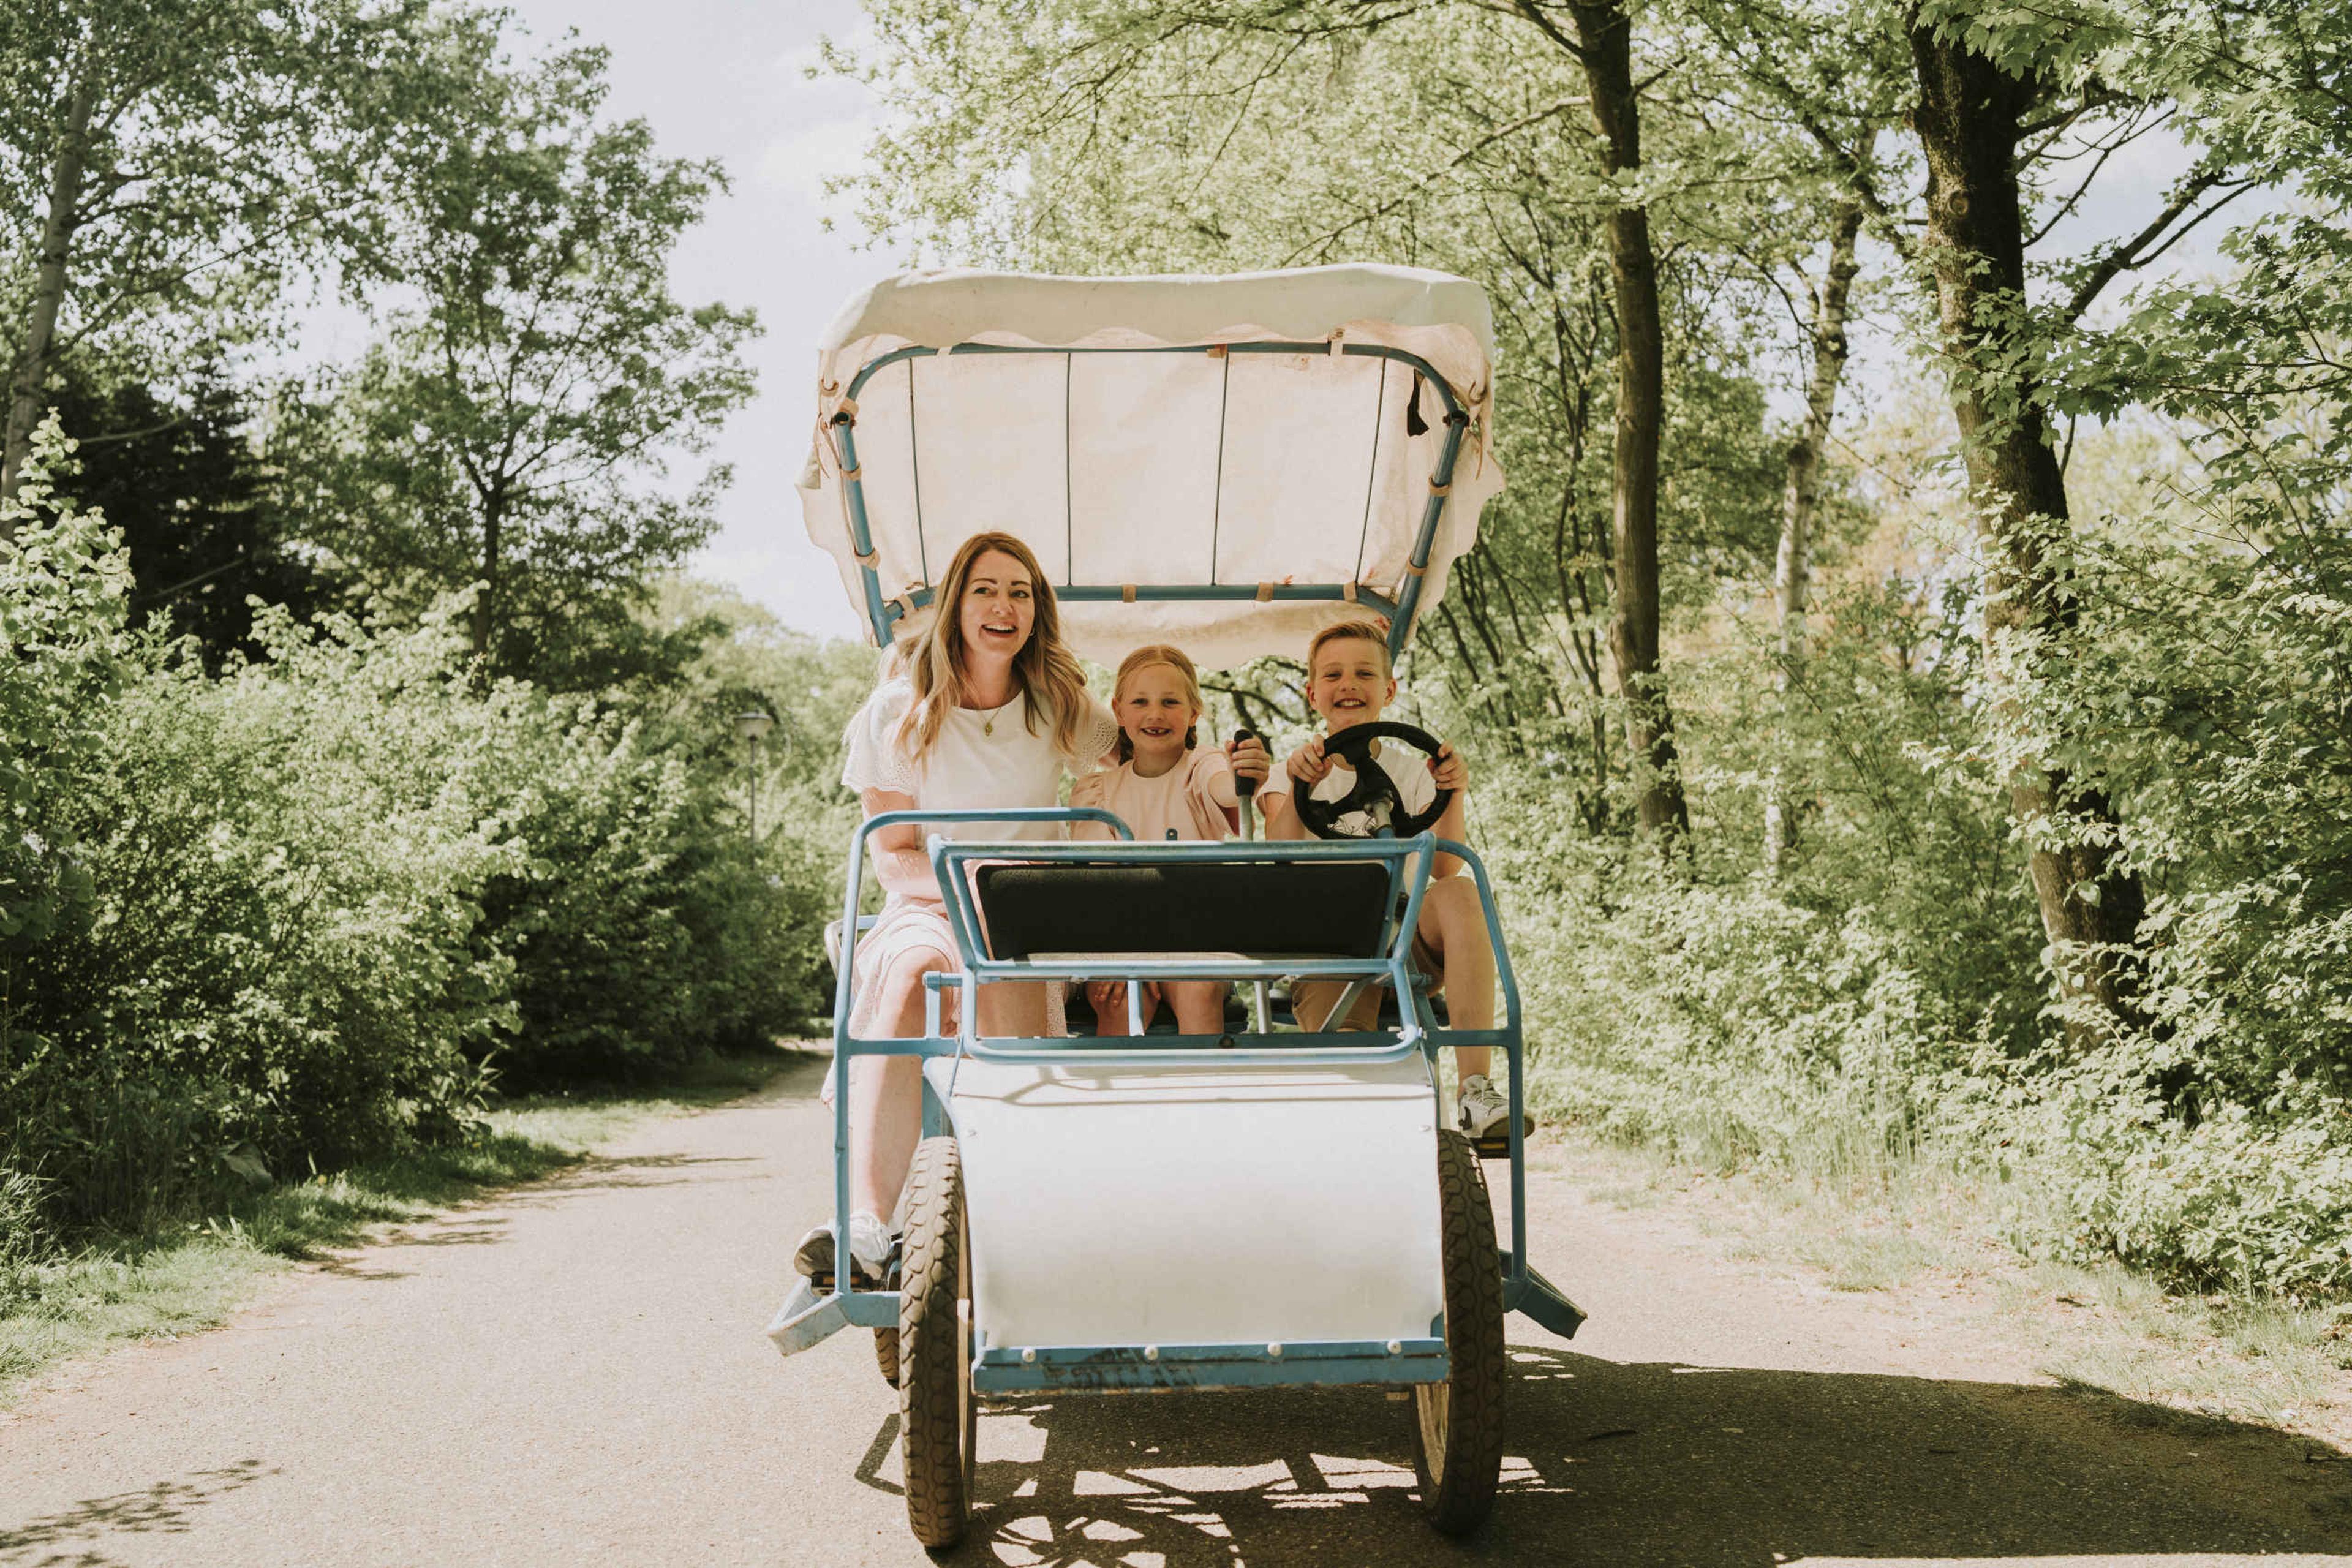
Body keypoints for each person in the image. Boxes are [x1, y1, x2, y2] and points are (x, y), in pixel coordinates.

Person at [794, 530, 1119, 1287]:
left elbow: (1135, 749)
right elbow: (894, 853)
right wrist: (969, 888)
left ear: (1037, 611)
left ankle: (1019, 1212)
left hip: (1027, 908)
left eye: (1021, 592)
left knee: (1003, 979)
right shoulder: (898, 711)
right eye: (986, 589)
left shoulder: (1059, 703)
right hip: (931, 899)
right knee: (912, 973)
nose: (1004, 606)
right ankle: (869, 1226)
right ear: (955, 605)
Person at [1257, 619, 1513, 1139]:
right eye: (1333, 674)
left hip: (1407, 943)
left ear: (1389, 690)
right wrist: (1304, 783)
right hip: (1331, 950)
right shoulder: (1295, 771)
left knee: (1462, 891)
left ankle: (1475, 1090)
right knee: (1358, 1084)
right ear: (1313, 693)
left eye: (1363, 673)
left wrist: (1453, 792)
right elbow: (1278, 857)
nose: (1348, 684)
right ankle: (1366, 1146)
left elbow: (1444, 866)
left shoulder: (1412, 769)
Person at [1070, 644, 1271, 1035]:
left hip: (1198, 941)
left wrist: (1245, 774)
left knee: (1196, 986)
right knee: (1120, 996)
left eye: (1170, 702)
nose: (1155, 714)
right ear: (1119, 711)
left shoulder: (1201, 767)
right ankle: (1122, 1090)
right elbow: (1093, 885)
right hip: (1120, 943)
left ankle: (1203, 1086)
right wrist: (1116, 960)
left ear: (1193, 712)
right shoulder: (1097, 791)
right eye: (1141, 702)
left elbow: (1225, 789)